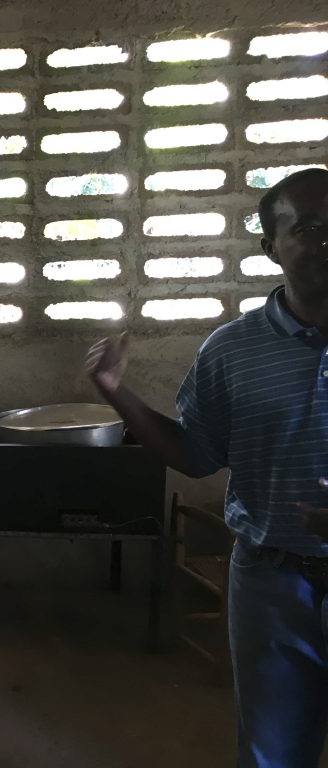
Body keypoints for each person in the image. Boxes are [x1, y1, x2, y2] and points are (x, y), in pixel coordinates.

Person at [85, 167, 328, 768]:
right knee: (274, 751)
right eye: (312, 227)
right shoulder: (233, 350)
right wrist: (116, 391)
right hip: (274, 584)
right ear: (271, 246)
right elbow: (195, 455)